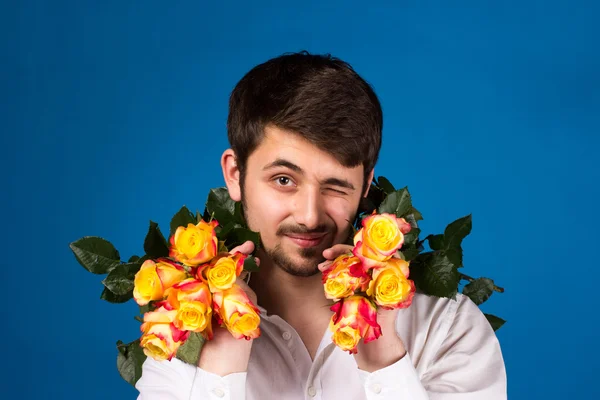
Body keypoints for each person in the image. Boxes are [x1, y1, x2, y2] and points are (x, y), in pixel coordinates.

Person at [135, 51, 507, 400]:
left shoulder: (446, 326)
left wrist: (384, 363)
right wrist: (219, 372)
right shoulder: (178, 332)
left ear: (365, 187)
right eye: (283, 180)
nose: (310, 216)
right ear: (235, 175)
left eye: (335, 186)